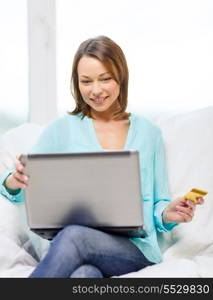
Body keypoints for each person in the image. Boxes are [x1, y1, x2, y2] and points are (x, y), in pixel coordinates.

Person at [0, 36, 204, 278]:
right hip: (69, 246)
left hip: (132, 251)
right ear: (77, 84)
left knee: (75, 236)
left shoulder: (149, 135)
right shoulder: (60, 130)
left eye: (105, 79)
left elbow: (158, 204)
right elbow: (30, 187)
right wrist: (13, 182)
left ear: (121, 78)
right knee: (84, 276)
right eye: (86, 81)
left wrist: (168, 213)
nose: (95, 90)